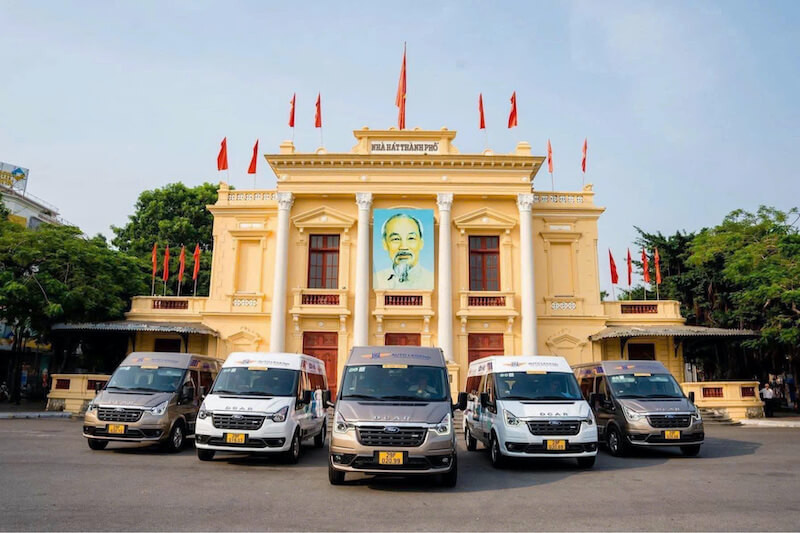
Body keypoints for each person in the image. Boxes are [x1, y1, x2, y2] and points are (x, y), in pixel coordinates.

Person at [374, 213, 434, 290]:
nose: (404, 247)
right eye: (396, 239)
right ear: (385, 244)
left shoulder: (430, 279)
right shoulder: (377, 279)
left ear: (421, 243)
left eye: (411, 238)